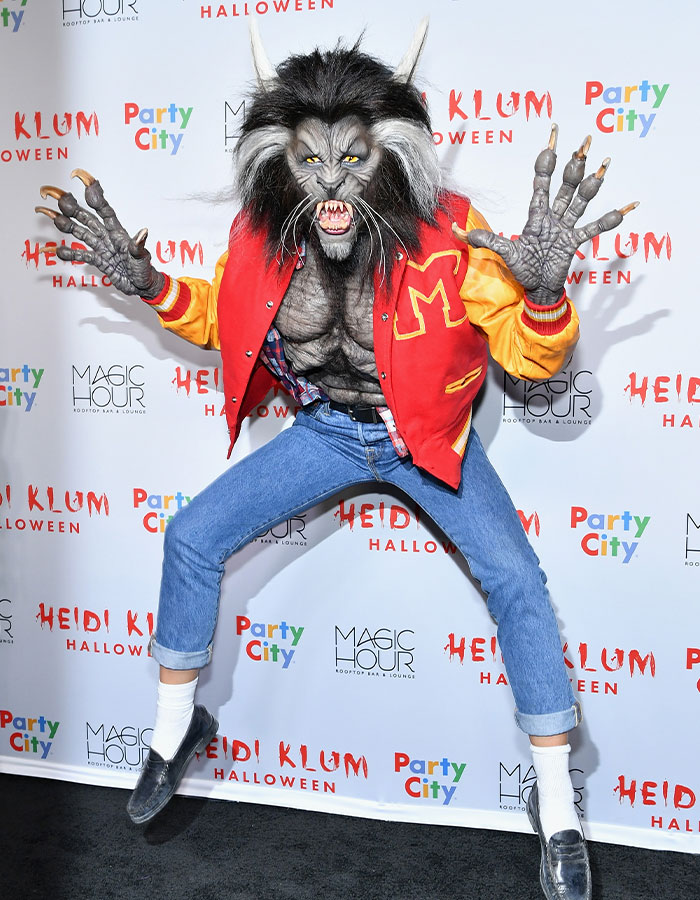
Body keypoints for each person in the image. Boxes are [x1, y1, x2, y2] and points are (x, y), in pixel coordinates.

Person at [36, 20, 636, 900]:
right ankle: (174, 729)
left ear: (389, 157)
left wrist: (543, 297)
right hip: (324, 429)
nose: (329, 185)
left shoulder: (452, 239)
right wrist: (147, 283)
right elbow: (222, 321)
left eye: (350, 160)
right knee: (193, 536)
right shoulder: (261, 237)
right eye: (309, 161)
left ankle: (558, 809)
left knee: (517, 580)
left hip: (427, 439)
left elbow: (529, 356)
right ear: (280, 163)